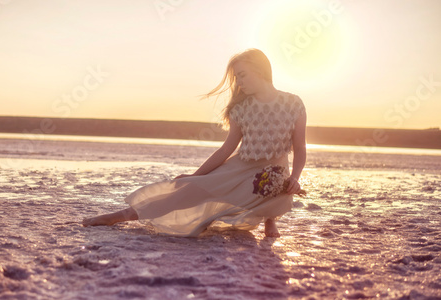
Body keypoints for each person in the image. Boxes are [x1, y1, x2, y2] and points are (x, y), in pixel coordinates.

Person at [82, 48, 307, 238]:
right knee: (188, 192)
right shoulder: (241, 109)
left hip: (273, 173)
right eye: (236, 77)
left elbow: (299, 148)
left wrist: (295, 177)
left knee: (278, 180)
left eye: (242, 75)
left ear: (260, 71)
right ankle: (120, 216)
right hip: (240, 168)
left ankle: (270, 219)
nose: (238, 82)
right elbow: (226, 150)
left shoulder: (293, 104)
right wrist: (196, 177)